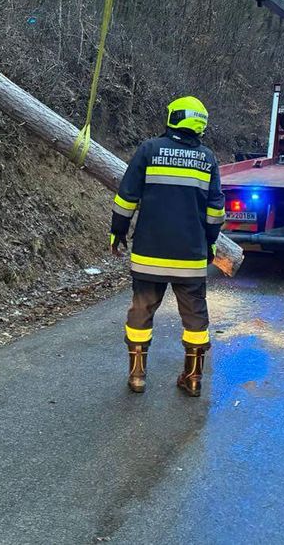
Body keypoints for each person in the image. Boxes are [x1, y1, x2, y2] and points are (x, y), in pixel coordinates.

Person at [110, 96, 225, 396]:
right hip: (190, 257)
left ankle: (137, 376)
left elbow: (126, 198)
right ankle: (194, 378)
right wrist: (209, 244)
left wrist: (117, 232)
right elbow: (215, 212)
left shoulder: (149, 150)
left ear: (173, 117)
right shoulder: (208, 158)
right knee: (195, 316)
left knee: (141, 310)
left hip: (150, 255)